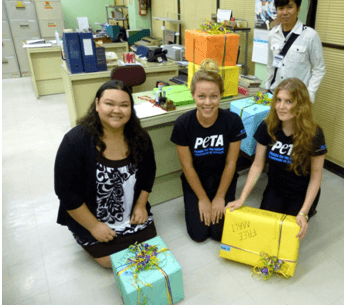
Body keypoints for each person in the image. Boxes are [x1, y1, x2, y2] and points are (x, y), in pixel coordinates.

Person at [54, 80, 157, 268]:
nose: (117, 110)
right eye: (109, 103)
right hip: (91, 218)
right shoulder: (75, 141)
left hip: (130, 212)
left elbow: (149, 172)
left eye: (124, 105)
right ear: (97, 104)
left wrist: (141, 205)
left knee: (147, 250)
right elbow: (65, 192)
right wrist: (94, 226)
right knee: (112, 261)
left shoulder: (140, 137)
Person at [226, 78, 327, 240]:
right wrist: (242, 198)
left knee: (288, 236)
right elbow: (257, 166)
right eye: (278, 100)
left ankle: (309, 210)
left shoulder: (314, 134)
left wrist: (303, 212)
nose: (281, 106)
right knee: (266, 232)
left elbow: (316, 178)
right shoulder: (267, 127)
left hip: (300, 192)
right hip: (276, 188)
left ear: (301, 105)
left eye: (288, 101)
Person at [170, 59, 247, 242]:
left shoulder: (232, 121)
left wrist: (220, 197)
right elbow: (187, 166)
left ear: (221, 95)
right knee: (199, 235)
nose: (207, 103)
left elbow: (231, 162)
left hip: (223, 179)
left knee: (219, 234)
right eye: (201, 96)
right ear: (193, 95)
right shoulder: (183, 124)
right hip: (196, 181)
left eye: (214, 96)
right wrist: (203, 199)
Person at [265, 0, 326, 103]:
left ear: (298, 8)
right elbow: (270, 64)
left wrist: (310, 94)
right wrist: (267, 87)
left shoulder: (310, 35)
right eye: (281, 8)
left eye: (290, 7)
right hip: (276, 96)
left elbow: (319, 69)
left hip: (298, 99)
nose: (285, 12)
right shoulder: (272, 34)